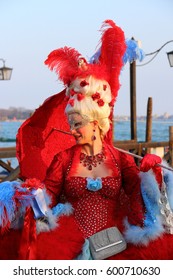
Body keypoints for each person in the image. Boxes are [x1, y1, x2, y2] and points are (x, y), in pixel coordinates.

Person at [0, 19, 173, 260]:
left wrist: (151, 175)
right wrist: (31, 192)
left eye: (78, 124)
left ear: (97, 123)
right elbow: (47, 198)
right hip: (69, 239)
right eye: (71, 124)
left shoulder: (121, 160)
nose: (72, 130)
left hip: (115, 241)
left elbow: (138, 204)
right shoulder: (63, 159)